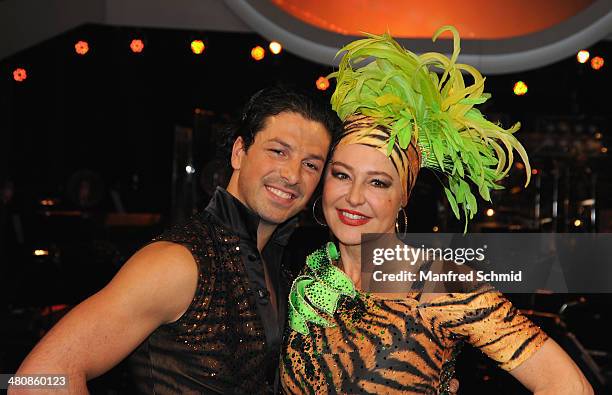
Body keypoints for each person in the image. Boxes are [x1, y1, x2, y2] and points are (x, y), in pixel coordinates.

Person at [280, 27, 593, 394]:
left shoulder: (439, 284)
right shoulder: (309, 273)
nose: (354, 196)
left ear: (403, 197)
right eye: (342, 175)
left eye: (378, 182)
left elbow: (568, 386)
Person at [11, 86, 341, 394]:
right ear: (240, 152)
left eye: (310, 164)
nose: (293, 175)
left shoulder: (280, 268)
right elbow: (37, 378)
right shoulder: (180, 262)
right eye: (278, 151)